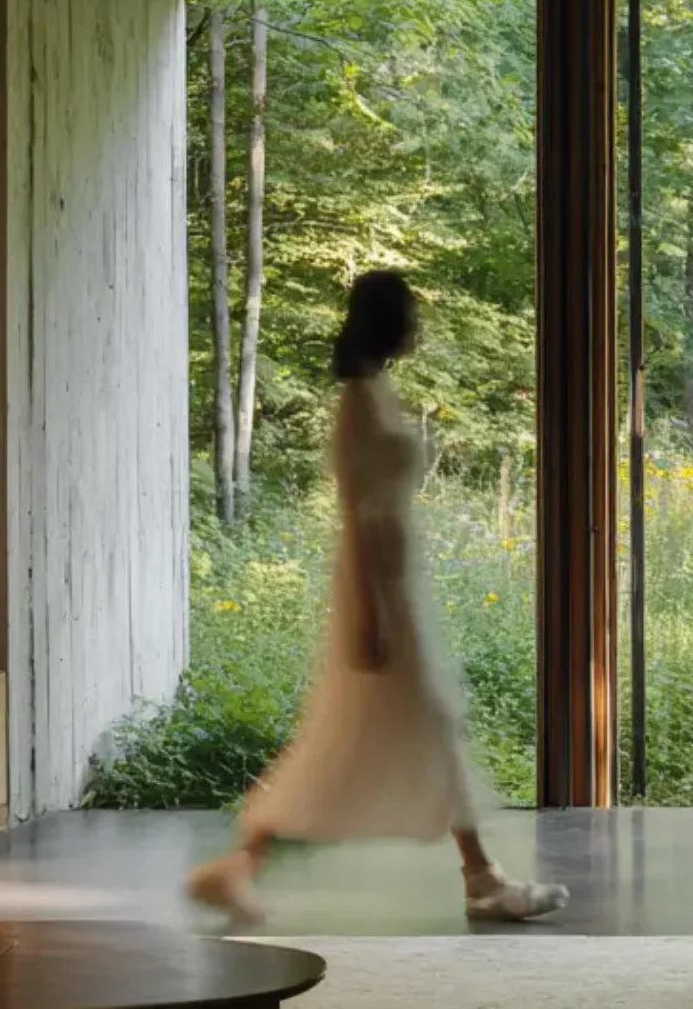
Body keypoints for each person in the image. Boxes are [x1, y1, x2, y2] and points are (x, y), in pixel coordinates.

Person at [187, 270, 567, 925]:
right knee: (404, 730)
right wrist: (372, 614)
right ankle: (481, 879)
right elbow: (358, 514)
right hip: (378, 588)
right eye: (410, 313)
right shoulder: (360, 402)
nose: (419, 324)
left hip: (394, 582)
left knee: (372, 737)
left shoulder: (375, 391)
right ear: (386, 320)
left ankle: (242, 866)